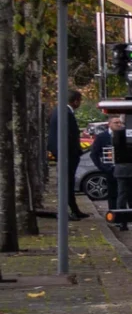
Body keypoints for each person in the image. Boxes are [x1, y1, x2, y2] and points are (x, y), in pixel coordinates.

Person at [45, 89, 86, 221]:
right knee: (67, 182)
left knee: (68, 182)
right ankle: (68, 211)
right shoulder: (65, 113)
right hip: (67, 154)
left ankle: (74, 209)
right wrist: (74, 151)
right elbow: (70, 135)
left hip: (63, 153)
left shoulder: (58, 111)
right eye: (79, 101)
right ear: (75, 101)